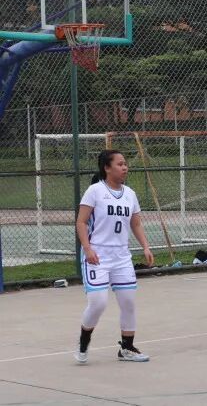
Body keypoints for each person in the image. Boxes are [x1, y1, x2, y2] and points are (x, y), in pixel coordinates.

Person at [74, 150, 154, 364]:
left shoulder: (130, 194)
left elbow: (136, 223)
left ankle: (127, 348)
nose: (125, 167)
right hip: (97, 255)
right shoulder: (95, 191)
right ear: (107, 168)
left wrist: (146, 247)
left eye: (125, 163)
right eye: (120, 164)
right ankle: (83, 341)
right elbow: (81, 222)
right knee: (98, 303)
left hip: (121, 256)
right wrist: (87, 248)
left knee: (128, 302)